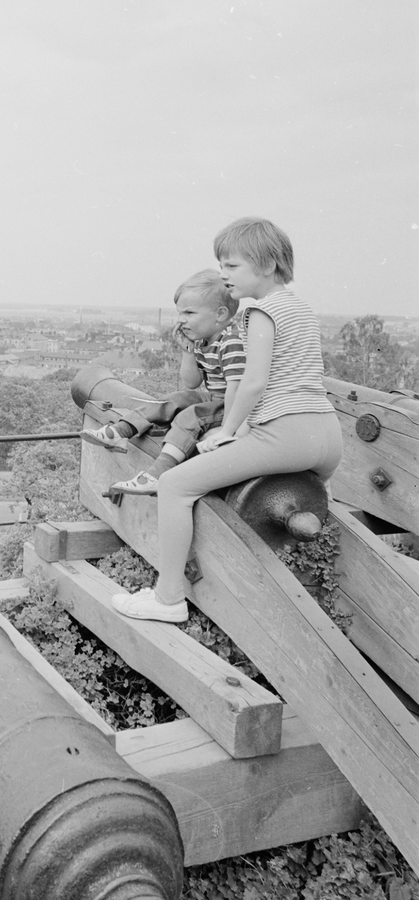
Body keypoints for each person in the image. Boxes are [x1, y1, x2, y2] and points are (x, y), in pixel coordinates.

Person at [110, 217, 343, 623]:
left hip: (286, 433)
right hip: (326, 436)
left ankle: (168, 599)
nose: (224, 275)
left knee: (174, 484)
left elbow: (253, 383)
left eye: (232, 266)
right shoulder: (301, 309)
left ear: (267, 265)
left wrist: (228, 431)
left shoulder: (259, 314)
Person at [82, 269, 246, 493]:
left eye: (189, 313)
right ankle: (122, 431)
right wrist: (188, 352)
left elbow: (238, 389)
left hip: (232, 403)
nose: (181, 321)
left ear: (219, 314)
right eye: (180, 313)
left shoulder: (231, 342)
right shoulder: (204, 340)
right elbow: (191, 383)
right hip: (216, 398)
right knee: (172, 399)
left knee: (191, 416)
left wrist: (226, 429)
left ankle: (159, 472)